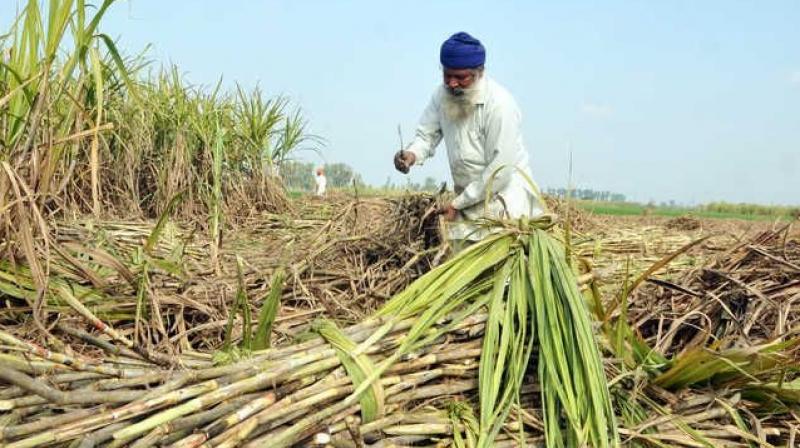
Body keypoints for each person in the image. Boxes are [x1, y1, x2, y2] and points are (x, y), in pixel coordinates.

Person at [394, 32, 542, 242]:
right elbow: (426, 135)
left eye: (461, 78)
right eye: (447, 75)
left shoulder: (500, 106)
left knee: (499, 270)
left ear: (479, 73)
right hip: (467, 200)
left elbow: (500, 172)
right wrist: (411, 154)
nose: (452, 83)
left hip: (505, 206)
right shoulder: (441, 95)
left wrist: (457, 204)